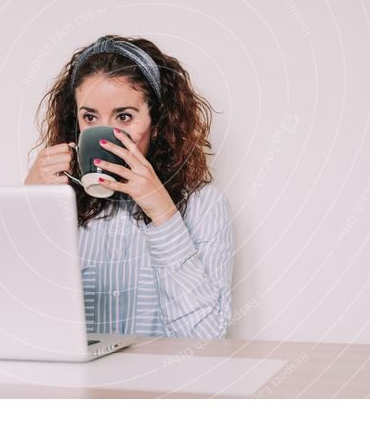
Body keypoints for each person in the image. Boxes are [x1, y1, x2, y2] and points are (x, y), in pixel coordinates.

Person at [24, 35, 234, 338]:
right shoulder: (58, 200)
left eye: (124, 116)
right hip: (75, 383)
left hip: (164, 382)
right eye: (90, 117)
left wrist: (162, 213)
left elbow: (205, 341)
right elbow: (17, 319)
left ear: (158, 123)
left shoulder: (204, 205)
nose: (105, 134)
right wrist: (29, 206)